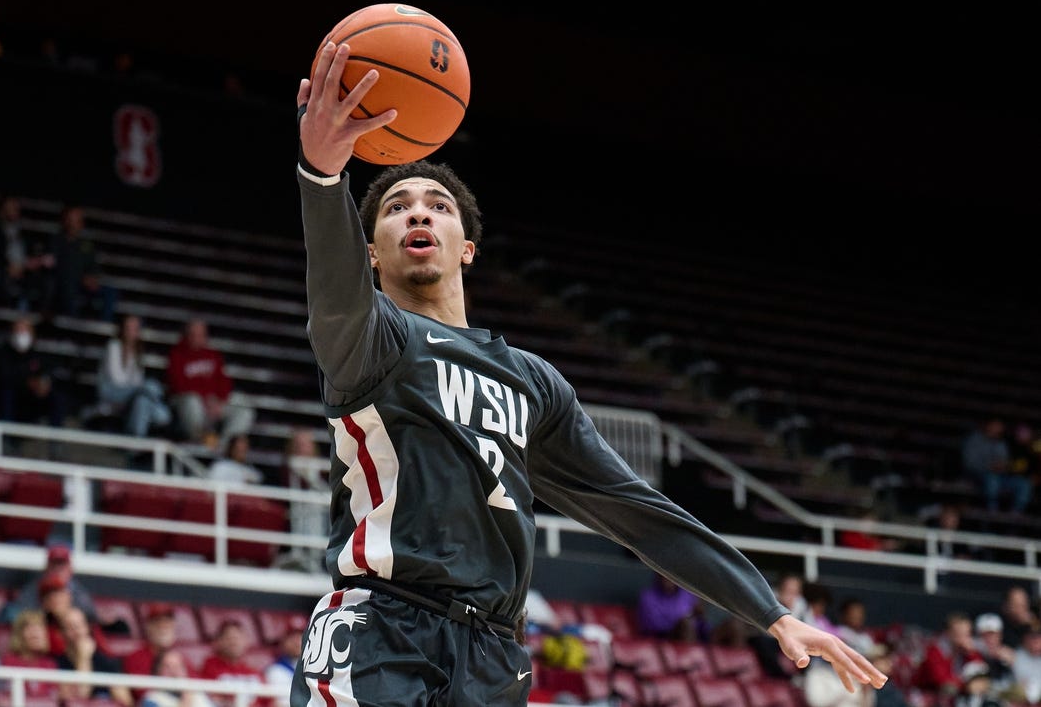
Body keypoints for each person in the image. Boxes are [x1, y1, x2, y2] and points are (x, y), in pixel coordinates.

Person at [287, 43, 887, 707]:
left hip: (492, 654)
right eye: (397, 207)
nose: (419, 212)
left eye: (437, 204)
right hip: (381, 629)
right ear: (370, 251)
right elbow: (334, 294)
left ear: (468, 246)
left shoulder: (533, 382)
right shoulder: (375, 339)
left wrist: (769, 611)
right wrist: (322, 175)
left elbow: (638, 513)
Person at [165, 318, 255, 451]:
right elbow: (178, 385)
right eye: (193, 334)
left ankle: (225, 446)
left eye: (201, 334)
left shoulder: (213, 355)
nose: (197, 338)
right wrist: (205, 399)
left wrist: (220, 400)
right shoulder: (176, 355)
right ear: (186, 335)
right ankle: (202, 441)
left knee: (244, 406)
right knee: (192, 401)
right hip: (190, 407)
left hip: (213, 405)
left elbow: (224, 382)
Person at [0, 315, 68, 430]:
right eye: (18, 330)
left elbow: (46, 373)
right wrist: (26, 382)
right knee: (7, 394)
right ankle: (5, 436)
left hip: (30, 400)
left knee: (57, 396)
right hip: (5, 399)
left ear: (32, 335)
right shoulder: (1, 353)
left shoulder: (36, 355)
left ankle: (56, 439)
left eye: (25, 330)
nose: (21, 334)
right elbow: (1, 378)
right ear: (11, 333)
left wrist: (43, 384)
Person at [36, 204, 118, 322]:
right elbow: (50, 263)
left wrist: (91, 277)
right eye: (70, 220)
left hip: (82, 285)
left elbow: (93, 267)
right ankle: (72, 320)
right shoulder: (55, 241)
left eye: (77, 220)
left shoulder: (86, 245)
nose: (73, 224)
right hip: (64, 283)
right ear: (64, 221)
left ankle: (104, 322)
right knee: (66, 286)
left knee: (110, 292)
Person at [96, 313, 172, 438]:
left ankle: (137, 440)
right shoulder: (113, 347)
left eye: (135, 328)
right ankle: (160, 412)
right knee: (150, 387)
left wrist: (140, 390)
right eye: (129, 328)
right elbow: (117, 379)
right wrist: (140, 389)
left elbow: (137, 380)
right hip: (111, 392)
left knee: (143, 401)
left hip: (131, 395)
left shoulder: (137, 351)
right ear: (123, 329)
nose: (132, 332)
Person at [0, 194, 45, 310]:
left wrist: (28, 263)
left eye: (16, 208)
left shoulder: (24, 230)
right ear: (2, 210)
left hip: (24, 268)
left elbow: (32, 251)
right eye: (10, 208)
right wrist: (7, 266)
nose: (13, 211)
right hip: (1, 268)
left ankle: (24, 313)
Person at [56, 604, 134, 705]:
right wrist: (84, 658)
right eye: (70, 627)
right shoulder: (57, 663)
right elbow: (80, 696)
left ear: (87, 628)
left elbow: (126, 702)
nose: (76, 631)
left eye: (79, 625)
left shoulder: (106, 662)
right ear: (61, 633)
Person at [5, 544, 98, 625]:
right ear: (47, 567)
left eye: (62, 565)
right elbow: (20, 615)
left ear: (70, 568)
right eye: (54, 565)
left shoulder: (79, 592)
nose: (58, 569)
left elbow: (90, 618)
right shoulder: (33, 590)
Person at [962, 417, 1031, 515]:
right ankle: (992, 511)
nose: (997, 428)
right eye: (995, 425)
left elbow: (1004, 463)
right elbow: (969, 463)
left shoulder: (1001, 444)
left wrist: (1003, 467)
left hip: (999, 477)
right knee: (991, 480)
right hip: (976, 475)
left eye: (999, 426)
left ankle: (1016, 513)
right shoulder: (974, 440)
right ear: (988, 425)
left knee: (1023, 484)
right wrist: (988, 467)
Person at [914, 610, 986, 701]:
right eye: (959, 634)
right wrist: (967, 686)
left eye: (967, 634)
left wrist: (971, 653)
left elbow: (981, 672)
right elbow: (944, 683)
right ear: (948, 633)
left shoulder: (967, 650)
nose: (964, 639)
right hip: (927, 696)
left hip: (958, 696)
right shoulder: (935, 651)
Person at [123, 602, 182, 704]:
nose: (164, 626)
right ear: (148, 626)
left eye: (168, 621)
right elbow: (144, 694)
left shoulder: (180, 657)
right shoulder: (136, 657)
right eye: (158, 621)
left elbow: (201, 690)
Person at [197, 619, 264, 707]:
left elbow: (270, 701)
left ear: (246, 641)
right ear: (218, 642)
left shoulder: (254, 672)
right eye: (229, 638)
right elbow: (212, 699)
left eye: (238, 637)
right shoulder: (209, 668)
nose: (234, 642)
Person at [0, 608, 61, 700]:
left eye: (40, 628)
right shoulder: (9, 661)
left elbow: (54, 696)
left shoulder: (49, 664)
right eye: (30, 628)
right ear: (19, 634)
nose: (36, 633)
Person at [636, 572, 711, 642]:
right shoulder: (648, 596)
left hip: (695, 637)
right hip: (665, 639)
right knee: (685, 624)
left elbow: (703, 627)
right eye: (665, 575)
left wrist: (699, 616)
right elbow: (654, 628)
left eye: (671, 576)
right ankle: (691, 655)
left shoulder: (687, 594)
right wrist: (680, 624)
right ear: (658, 576)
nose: (668, 579)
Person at [140, 647, 218, 707]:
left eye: (178, 666)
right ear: (157, 671)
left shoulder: (198, 693)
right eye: (167, 667)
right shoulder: (151, 700)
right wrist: (186, 702)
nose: (174, 672)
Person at [262, 614, 308, 707]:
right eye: (292, 636)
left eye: (301, 636)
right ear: (283, 640)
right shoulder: (274, 671)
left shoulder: (318, 668)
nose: (297, 641)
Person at [1000, 585, 1041, 649]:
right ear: (1006, 607)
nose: (1021, 610)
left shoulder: (1033, 621)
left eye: (1023, 605)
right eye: (1017, 606)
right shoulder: (1001, 624)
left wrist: (1033, 623)